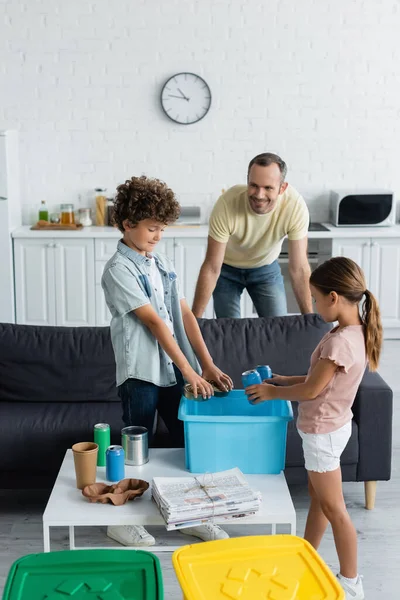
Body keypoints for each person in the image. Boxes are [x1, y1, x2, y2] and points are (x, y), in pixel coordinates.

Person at [101, 175, 233, 547]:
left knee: (184, 448)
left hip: (174, 370)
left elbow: (184, 315)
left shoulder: (159, 262)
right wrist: (190, 372)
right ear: (127, 224)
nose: (158, 236)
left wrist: (204, 364)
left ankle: (189, 515)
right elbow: (156, 323)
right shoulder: (118, 269)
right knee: (137, 453)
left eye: (162, 229)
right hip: (140, 374)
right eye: (152, 228)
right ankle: (122, 520)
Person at [246, 256, 382, 600]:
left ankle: (351, 583)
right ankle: (307, 554)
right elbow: (318, 381)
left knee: (335, 509)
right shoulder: (352, 331)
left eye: (317, 298)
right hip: (334, 426)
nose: (315, 305)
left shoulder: (339, 342)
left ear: (334, 297)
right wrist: (284, 379)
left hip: (322, 433)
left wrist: (272, 392)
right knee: (320, 501)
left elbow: (311, 391)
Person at [192, 152, 313, 318]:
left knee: (276, 329)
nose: (259, 194)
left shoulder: (295, 207)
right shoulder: (227, 204)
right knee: (229, 332)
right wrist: (194, 319)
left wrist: (311, 320)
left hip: (266, 268)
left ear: (282, 188)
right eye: (254, 185)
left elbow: (299, 268)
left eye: (268, 188)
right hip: (226, 270)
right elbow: (212, 267)